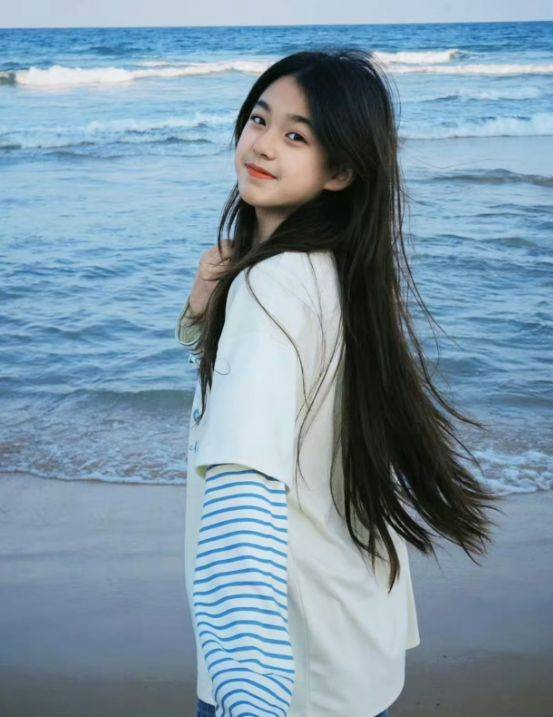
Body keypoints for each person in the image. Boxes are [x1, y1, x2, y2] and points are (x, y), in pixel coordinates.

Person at [176, 49, 503, 717]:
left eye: (296, 136)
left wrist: (248, 694)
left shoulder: (271, 287)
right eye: (259, 119)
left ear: (341, 171)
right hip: (354, 636)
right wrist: (201, 317)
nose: (263, 144)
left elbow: (242, 498)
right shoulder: (339, 272)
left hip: (287, 672)